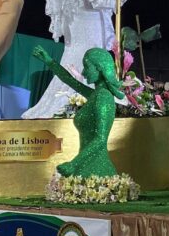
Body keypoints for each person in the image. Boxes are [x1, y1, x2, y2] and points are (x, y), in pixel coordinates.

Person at [32, 45, 123, 177]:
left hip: (97, 172)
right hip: (84, 167)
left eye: (87, 67)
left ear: (99, 68)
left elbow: (101, 139)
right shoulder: (96, 95)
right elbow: (70, 81)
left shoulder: (103, 97)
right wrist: (49, 62)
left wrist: (73, 164)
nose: (84, 73)